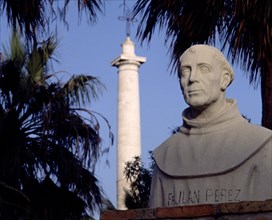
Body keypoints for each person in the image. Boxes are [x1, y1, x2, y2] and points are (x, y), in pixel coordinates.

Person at [149, 44, 272, 208]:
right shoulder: (165, 155)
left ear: (224, 79)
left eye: (204, 69)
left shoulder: (262, 144)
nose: (192, 78)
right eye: (185, 71)